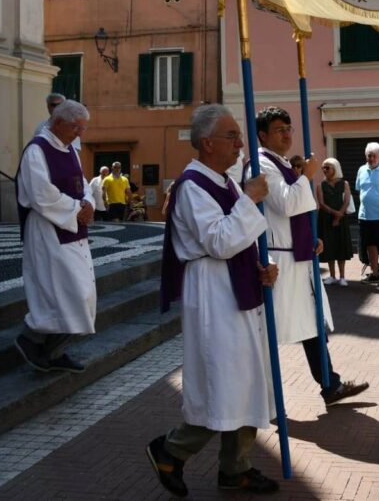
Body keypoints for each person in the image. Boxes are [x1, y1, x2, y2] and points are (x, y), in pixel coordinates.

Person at [148, 104, 280, 497]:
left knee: (247, 378)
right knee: (223, 383)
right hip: (213, 292)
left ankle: (236, 467)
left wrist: (262, 267)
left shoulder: (225, 183)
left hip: (238, 288)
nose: (241, 144)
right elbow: (219, 241)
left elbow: (242, 238)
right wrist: (249, 200)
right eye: (232, 136)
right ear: (207, 143)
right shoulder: (192, 186)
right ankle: (171, 449)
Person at [252, 106, 368, 406]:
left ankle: (330, 384)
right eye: (279, 130)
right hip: (280, 261)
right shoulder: (261, 164)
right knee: (267, 332)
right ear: (262, 135)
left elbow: (295, 213)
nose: (287, 134)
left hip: (298, 255)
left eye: (288, 128)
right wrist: (307, 176)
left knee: (312, 323)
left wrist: (309, 238)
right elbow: (287, 205)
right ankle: (260, 396)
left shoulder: (280, 163)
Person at [13, 100, 96, 373]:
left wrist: (88, 203)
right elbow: (41, 194)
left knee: (81, 295)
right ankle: (31, 339)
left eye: (83, 128)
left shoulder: (70, 150)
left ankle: (53, 351)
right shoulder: (37, 150)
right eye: (76, 127)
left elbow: (82, 183)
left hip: (72, 231)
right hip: (47, 230)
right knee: (59, 292)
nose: (79, 133)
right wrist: (77, 209)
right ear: (58, 122)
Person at [354, 142, 379, 285]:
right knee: (370, 245)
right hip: (365, 216)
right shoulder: (361, 170)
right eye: (369, 156)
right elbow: (359, 189)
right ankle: (375, 273)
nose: (371, 159)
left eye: (374, 156)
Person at [316, 157, 353, 286]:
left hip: (341, 219)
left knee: (341, 245)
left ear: (335, 168)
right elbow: (321, 203)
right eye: (323, 168)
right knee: (329, 246)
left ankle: (342, 276)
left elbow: (347, 200)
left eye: (327, 167)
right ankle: (332, 275)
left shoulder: (344, 183)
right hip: (326, 219)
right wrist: (335, 213)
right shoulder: (320, 185)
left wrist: (339, 215)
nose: (325, 170)